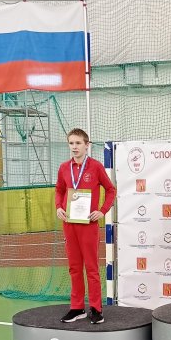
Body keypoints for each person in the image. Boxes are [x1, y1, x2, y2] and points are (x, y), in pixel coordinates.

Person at [55, 128, 116, 324]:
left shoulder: (96, 167)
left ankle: (96, 308)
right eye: (71, 143)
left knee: (91, 267)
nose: (74, 147)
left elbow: (111, 190)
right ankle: (77, 307)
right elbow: (59, 190)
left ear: (87, 145)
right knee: (74, 267)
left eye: (78, 143)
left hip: (89, 224)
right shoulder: (64, 168)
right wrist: (58, 207)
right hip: (69, 223)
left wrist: (102, 211)